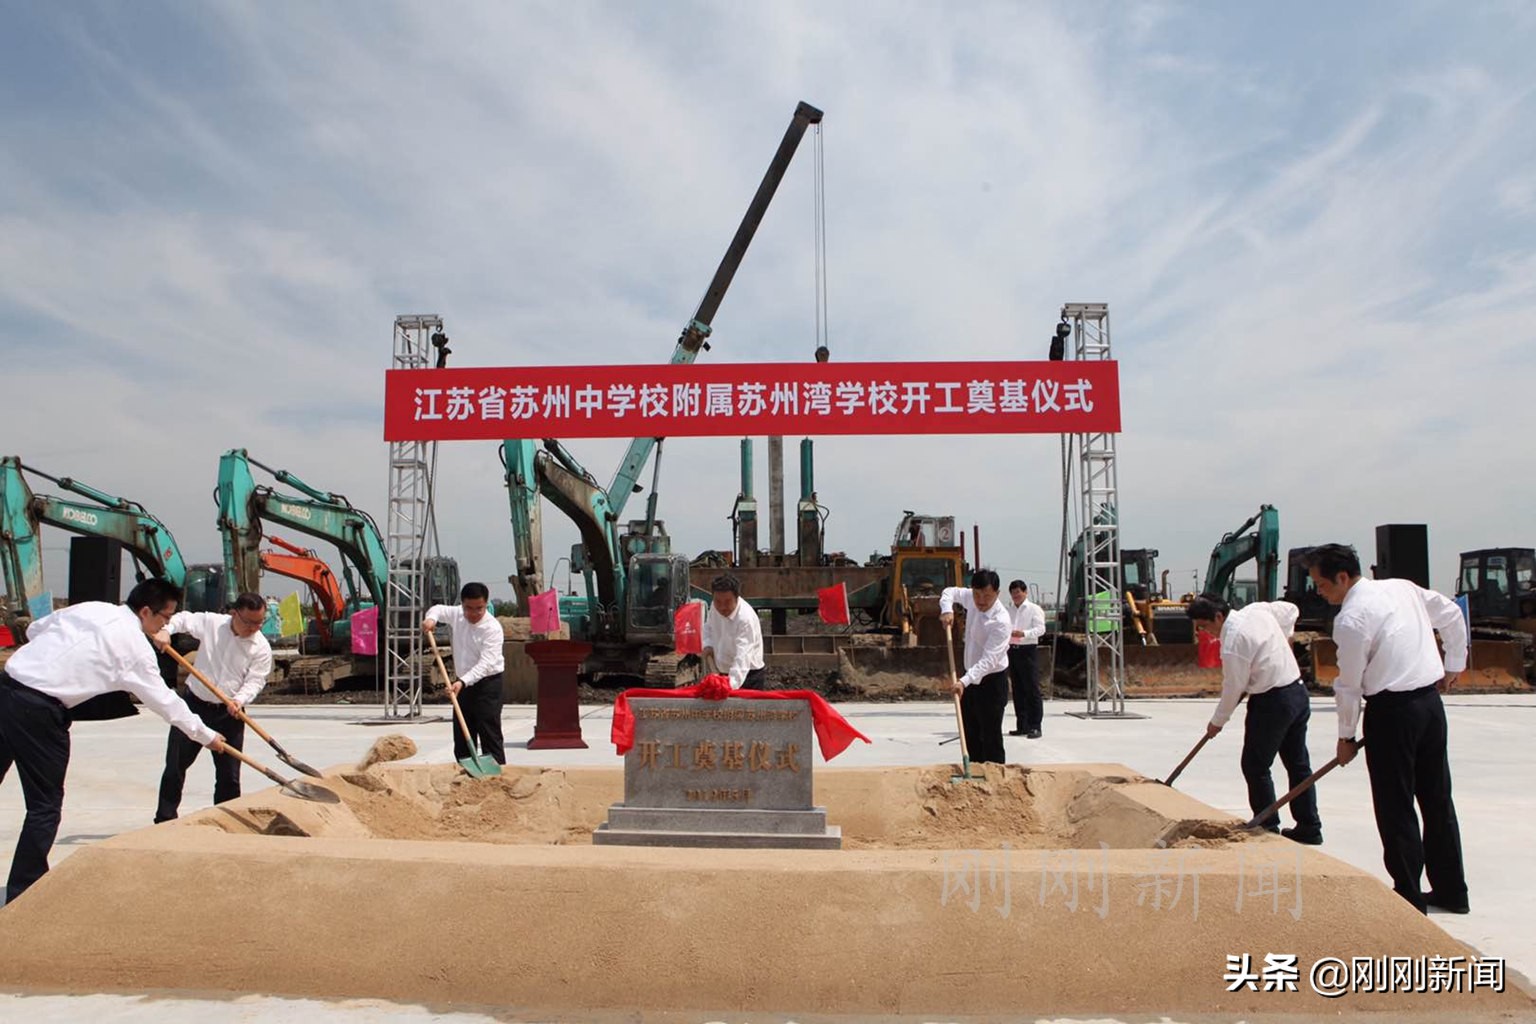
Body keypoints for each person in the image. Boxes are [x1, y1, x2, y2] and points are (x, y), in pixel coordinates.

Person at [0, 578, 226, 902]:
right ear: (146, 611)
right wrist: (207, 736)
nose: (166, 626)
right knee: (44, 806)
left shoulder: (93, 608)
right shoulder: (135, 649)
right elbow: (167, 703)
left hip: (7, 687)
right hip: (39, 712)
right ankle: (24, 893)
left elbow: (38, 630)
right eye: (164, 618)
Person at [1307, 543, 1470, 914]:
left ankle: (1409, 896)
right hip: (1430, 707)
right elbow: (1450, 613)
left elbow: (1349, 685)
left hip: (1392, 713)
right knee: (1437, 798)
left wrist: (1346, 737)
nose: (1319, 590)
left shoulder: (1352, 619)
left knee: (1395, 805)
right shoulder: (1401, 588)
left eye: (1321, 583)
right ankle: (1451, 891)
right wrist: (1454, 663)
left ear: (1343, 577)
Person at [1185, 594, 1322, 844]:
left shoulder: (1234, 643)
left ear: (1218, 616)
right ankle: (1309, 826)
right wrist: (1284, 638)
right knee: (1298, 763)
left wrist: (1218, 721)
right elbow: (1291, 608)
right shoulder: (1257, 610)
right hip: (1297, 692)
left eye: (1204, 626)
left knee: (1255, 765)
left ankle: (1266, 826)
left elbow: (1234, 686)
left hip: (1273, 702)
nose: (1204, 632)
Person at [151, 592, 274, 823]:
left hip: (230, 714)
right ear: (234, 614)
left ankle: (225, 823)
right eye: (249, 622)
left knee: (229, 777)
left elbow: (256, 680)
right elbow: (183, 619)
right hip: (194, 707)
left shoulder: (261, 647)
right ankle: (164, 821)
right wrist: (166, 631)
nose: (255, 628)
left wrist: (240, 699)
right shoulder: (212, 624)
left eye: (260, 622)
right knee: (175, 767)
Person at [424, 582, 507, 764]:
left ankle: (497, 773)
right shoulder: (458, 615)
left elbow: (486, 663)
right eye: (469, 608)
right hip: (461, 685)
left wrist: (462, 681)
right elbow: (437, 609)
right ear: (462, 604)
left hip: (487, 684)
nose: (474, 613)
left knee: (488, 731)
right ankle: (465, 771)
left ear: (486, 604)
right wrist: (431, 619)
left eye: (479, 608)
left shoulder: (492, 628)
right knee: (462, 733)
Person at [938, 569, 1013, 764]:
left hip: (991, 681)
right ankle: (973, 773)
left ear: (997, 593)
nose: (980, 600)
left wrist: (963, 681)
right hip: (969, 679)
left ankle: (995, 777)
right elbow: (949, 592)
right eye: (977, 594)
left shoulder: (1001, 621)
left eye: (987, 596)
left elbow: (989, 660)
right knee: (969, 730)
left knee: (990, 734)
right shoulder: (972, 599)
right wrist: (947, 609)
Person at [702, 574, 765, 690]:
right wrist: (708, 644)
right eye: (718, 601)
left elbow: (742, 657)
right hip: (722, 672)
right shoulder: (715, 607)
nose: (722, 607)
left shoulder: (745, 619)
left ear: (737, 598)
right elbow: (708, 628)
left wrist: (729, 685)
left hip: (747, 676)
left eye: (727, 602)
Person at [1005, 580, 1046, 738]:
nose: (1015, 596)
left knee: (1032, 689)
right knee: (1018, 689)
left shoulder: (1034, 609)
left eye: (1018, 592)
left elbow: (1041, 629)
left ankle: (1035, 725)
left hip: (1027, 650)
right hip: (1012, 651)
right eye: (1013, 593)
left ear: (1025, 592)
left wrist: (1024, 634)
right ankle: (1022, 725)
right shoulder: (1009, 611)